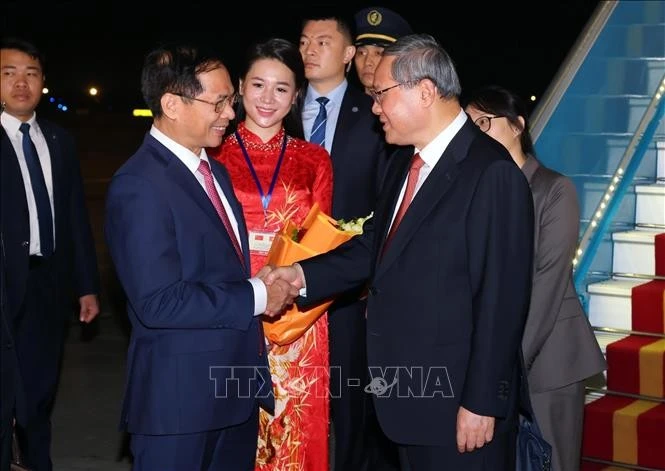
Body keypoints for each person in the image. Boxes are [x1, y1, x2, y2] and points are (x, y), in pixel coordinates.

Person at [265, 34, 535, 471]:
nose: (374, 108)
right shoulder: (403, 163)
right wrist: (300, 275)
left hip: (458, 409)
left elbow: (501, 301)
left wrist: (482, 403)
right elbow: (375, 250)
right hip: (405, 402)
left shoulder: (491, 174)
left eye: (380, 96)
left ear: (424, 91)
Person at [104, 43, 298, 470]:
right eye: (220, 102)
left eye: (230, 101)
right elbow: (159, 302)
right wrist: (259, 296)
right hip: (180, 407)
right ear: (172, 104)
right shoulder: (139, 185)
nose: (230, 114)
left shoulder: (214, 171)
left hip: (234, 395)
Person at [465, 85, 606, 471]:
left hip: (548, 359)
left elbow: (548, 280)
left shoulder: (553, 188)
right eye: (468, 125)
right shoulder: (481, 192)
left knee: (551, 461)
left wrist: (505, 361)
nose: (475, 133)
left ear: (517, 125)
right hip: (499, 360)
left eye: (484, 122)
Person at [208, 37, 333, 471]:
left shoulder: (315, 159)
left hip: (297, 317)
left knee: (292, 435)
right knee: (230, 430)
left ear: (296, 95)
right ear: (240, 87)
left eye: (281, 88)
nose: (267, 98)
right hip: (230, 305)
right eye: (258, 85)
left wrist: (291, 295)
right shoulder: (211, 153)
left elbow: (321, 246)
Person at [0, 37, 100, 471]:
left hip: (48, 284)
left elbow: (76, 216)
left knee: (39, 390)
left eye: (31, 73)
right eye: (8, 73)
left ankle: (35, 461)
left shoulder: (58, 140)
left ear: (43, 81)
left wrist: (86, 286)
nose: (21, 83)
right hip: (4, 285)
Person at [298, 11, 392, 471]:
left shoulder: (376, 114)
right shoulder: (277, 104)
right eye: (304, 41)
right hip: (284, 283)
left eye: (323, 41)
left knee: (351, 400)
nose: (310, 50)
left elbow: (384, 202)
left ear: (347, 54)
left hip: (350, 288)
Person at [353, 6, 413, 95]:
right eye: (361, 53)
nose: (368, 62)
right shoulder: (342, 106)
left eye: (378, 53)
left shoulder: (411, 107)